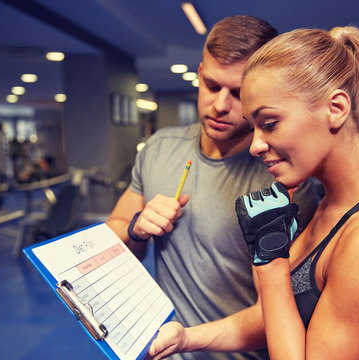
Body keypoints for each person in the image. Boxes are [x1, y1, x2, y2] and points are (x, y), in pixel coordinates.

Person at [147, 26, 359, 360]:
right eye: (254, 125)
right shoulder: (332, 206)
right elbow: (281, 317)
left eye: (270, 123)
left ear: (335, 109)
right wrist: (186, 338)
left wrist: (271, 264)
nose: (257, 145)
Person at [106, 16, 319, 360]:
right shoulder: (160, 147)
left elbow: (280, 312)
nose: (220, 105)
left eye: (238, 93)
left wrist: (189, 338)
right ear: (200, 72)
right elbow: (113, 239)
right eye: (211, 85)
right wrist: (135, 229)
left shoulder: (284, 182)